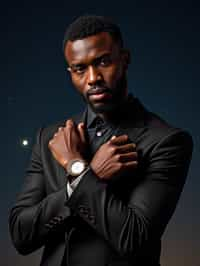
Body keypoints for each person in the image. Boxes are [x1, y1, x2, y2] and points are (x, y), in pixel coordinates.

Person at [9, 15, 193, 266]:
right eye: (80, 68)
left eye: (103, 62)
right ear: (70, 72)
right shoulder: (50, 137)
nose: (93, 77)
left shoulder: (167, 141)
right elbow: (21, 235)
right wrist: (90, 174)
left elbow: (134, 239)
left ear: (124, 60)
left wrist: (76, 167)